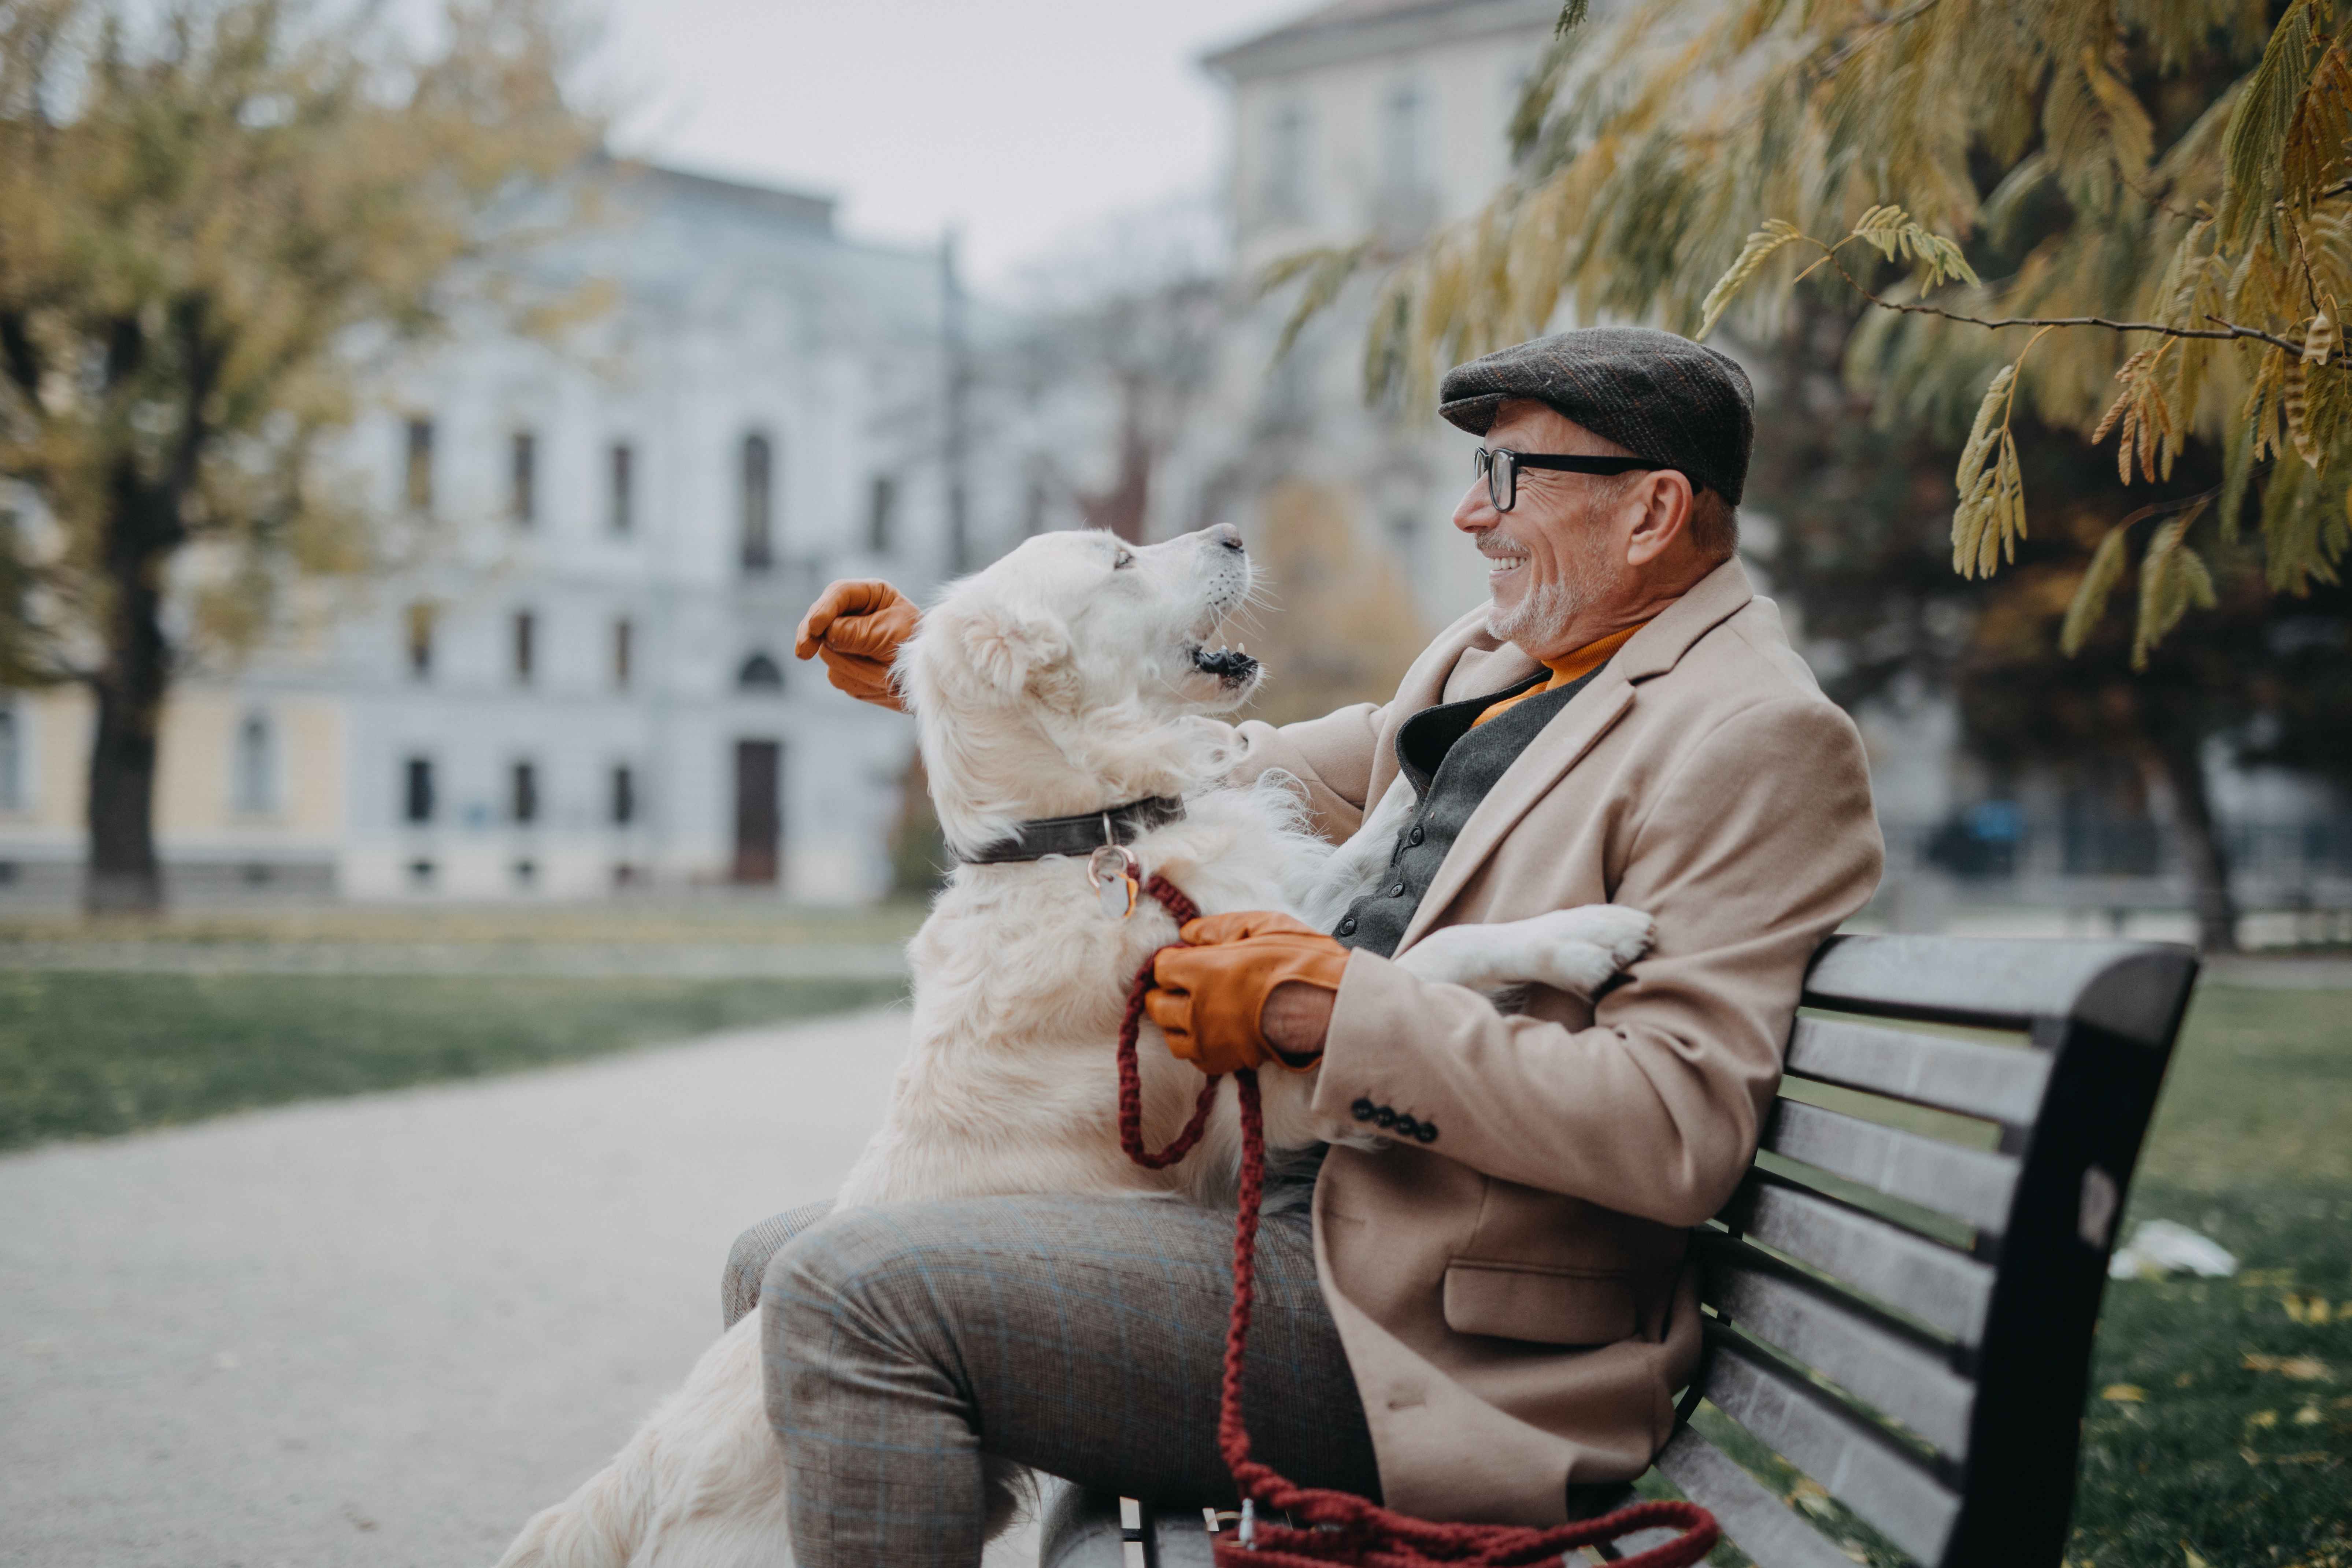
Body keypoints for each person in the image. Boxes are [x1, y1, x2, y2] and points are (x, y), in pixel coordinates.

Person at [735, 325, 1882, 1564]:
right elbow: (1233, 768)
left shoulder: (1756, 734)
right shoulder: (1501, 659)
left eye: (1505, 479)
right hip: (1288, 1217)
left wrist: (1334, 1010)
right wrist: (969, 673)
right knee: (780, 1258)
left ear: (1653, 509)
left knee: (849, 1291)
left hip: (1421, 1326)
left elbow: (1674, 1129)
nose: (1465, 514)